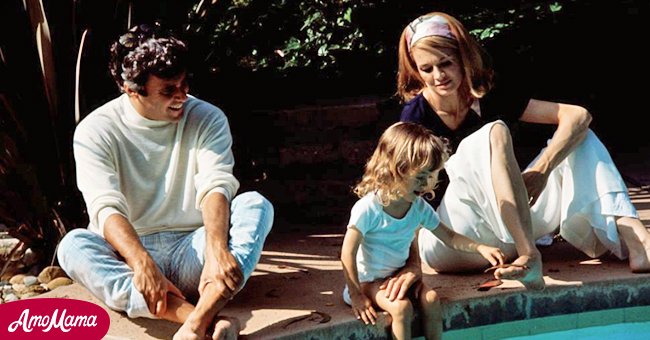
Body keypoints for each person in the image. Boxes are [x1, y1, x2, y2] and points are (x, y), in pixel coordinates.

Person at [396, 12, 650, 291]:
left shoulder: (486, 95)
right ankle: (530, 255)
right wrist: (409, 266)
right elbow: (401, 191)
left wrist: (542, 170)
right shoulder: (413, 117)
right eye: (427, 69)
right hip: (454, 242)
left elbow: (578, 116)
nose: (439, 76)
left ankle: (638, 242)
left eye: (446, 63)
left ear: (464, 58)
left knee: (581, 138)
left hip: (507, 236)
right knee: (493, 133)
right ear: (416, 71)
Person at [56, 24, 274, 340]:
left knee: (255, 205)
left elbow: (215, 184)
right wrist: (141, 262)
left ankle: (199, 321)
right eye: (168, 90)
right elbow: (104, 207)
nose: (182, 96)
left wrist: (215, 249)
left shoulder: (207, 116)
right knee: (73, 246)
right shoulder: (95, 131)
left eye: (184, 84)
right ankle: (207, 320)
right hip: (131, 257)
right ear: (131, 90)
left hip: (193, 250)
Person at [340, 122, 505, 339]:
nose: (426, 184)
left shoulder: (418, 208)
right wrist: (357, 295)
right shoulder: (369, 208)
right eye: (420, 177)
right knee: (402, 309)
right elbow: (347, 253)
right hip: (367, 281)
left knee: (432, 299)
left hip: (399, 276)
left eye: (431, 176)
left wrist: (480, 247)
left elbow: (449, 236)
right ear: (395, 169)